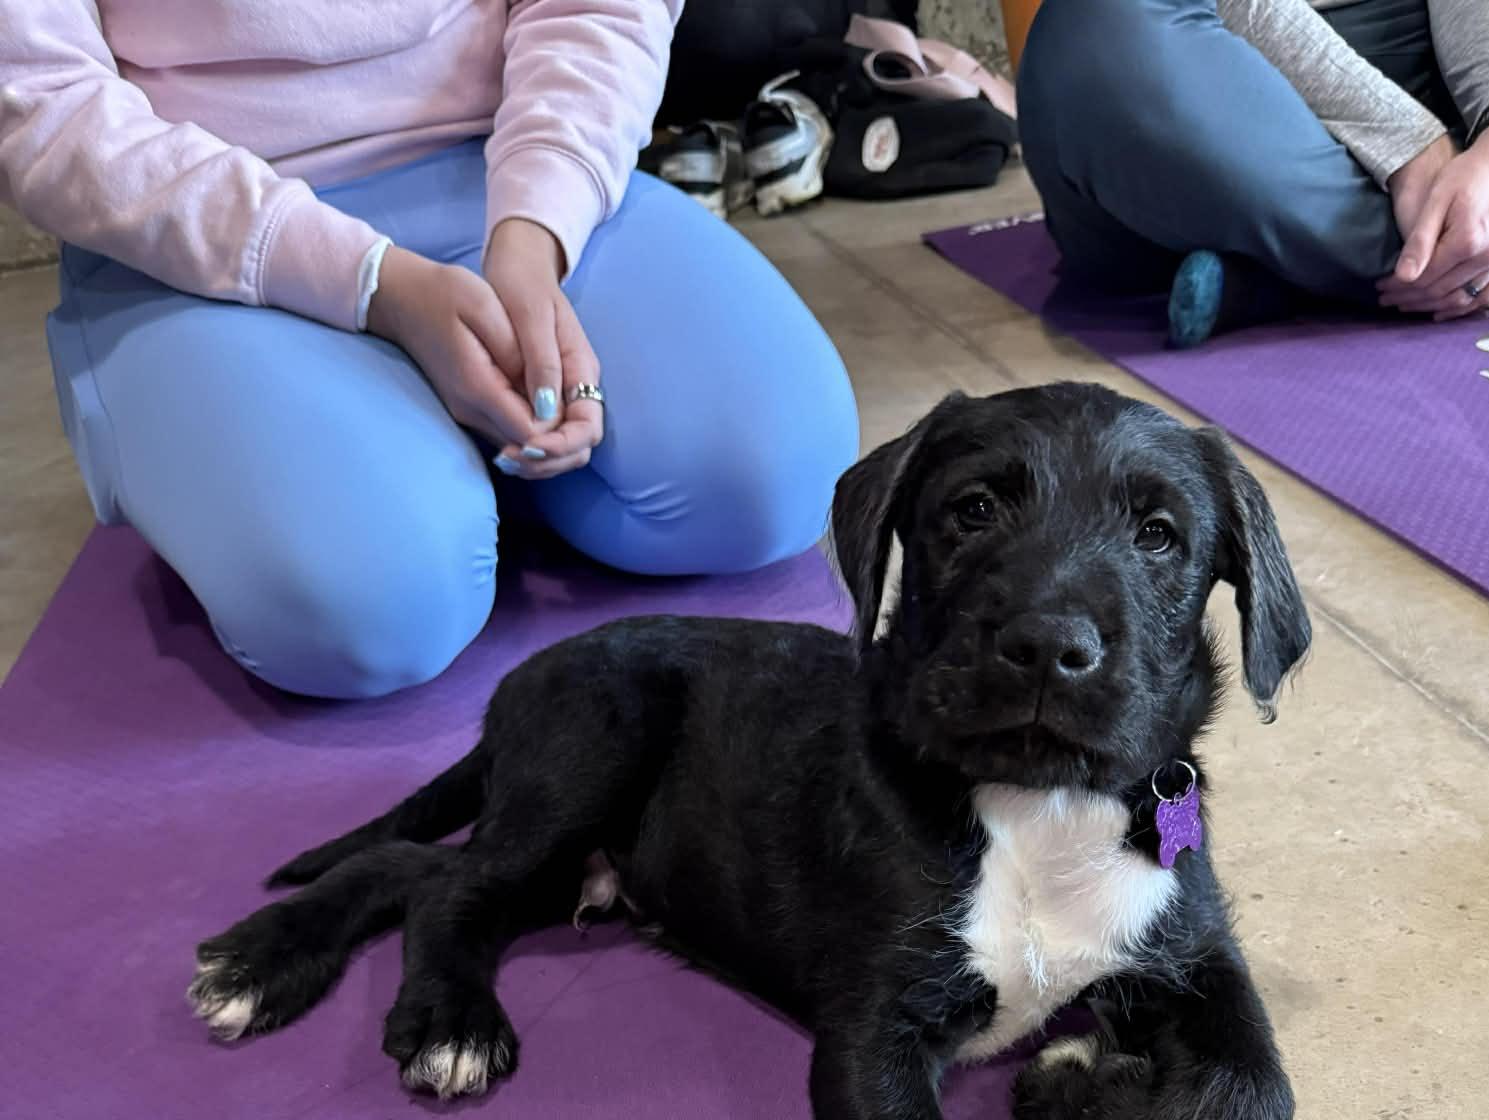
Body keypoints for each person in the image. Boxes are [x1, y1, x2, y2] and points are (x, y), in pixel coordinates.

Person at [0, 3, 859, 699]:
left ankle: (446, 447)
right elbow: (41, 101)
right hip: (193, 230)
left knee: (777, 476)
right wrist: (374, 287)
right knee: (374, 608)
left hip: (490, 165)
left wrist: (534, 232)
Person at [1016, 0, 1489, 347]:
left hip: (1426, 57)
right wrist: (1410, 147)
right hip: (1204, 68)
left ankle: (1291, 275)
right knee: (1100, 26)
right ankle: (1454, 247)